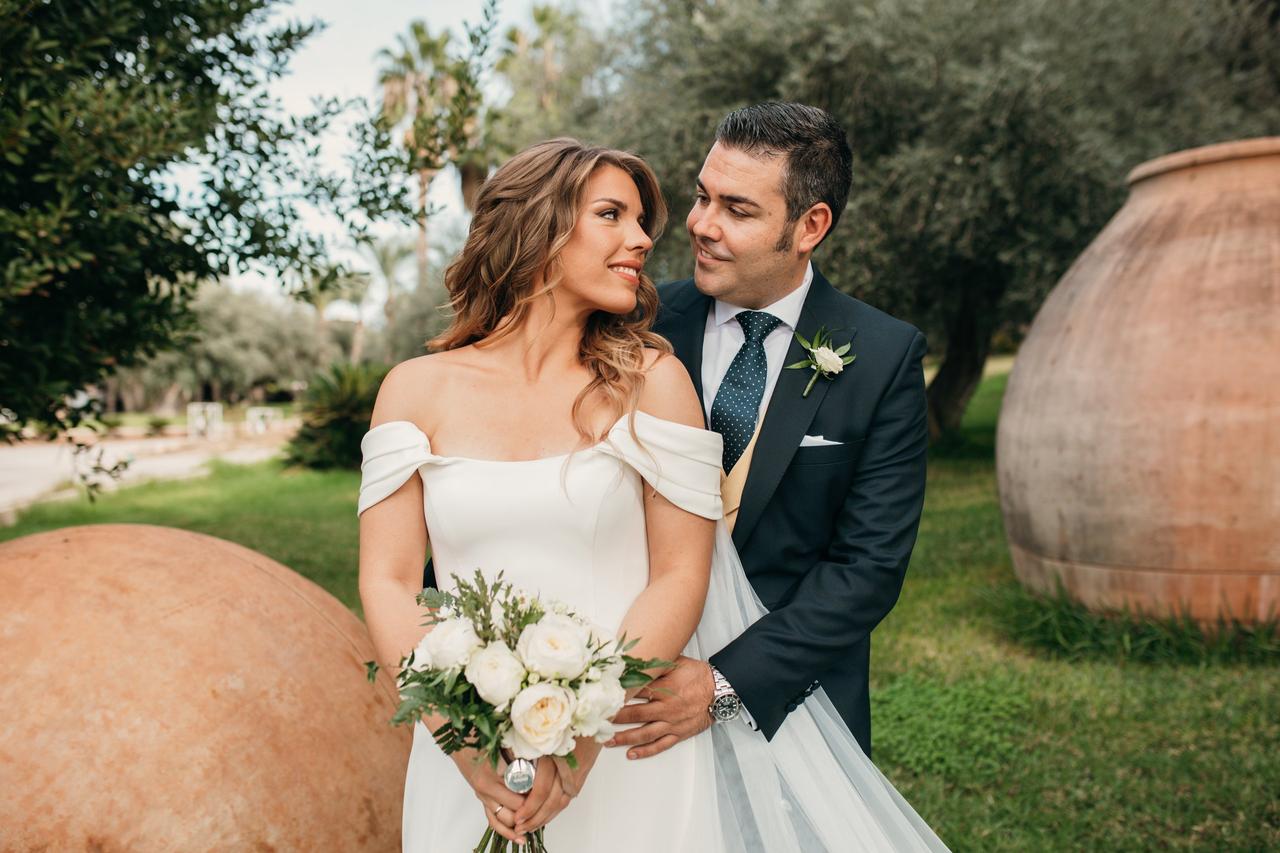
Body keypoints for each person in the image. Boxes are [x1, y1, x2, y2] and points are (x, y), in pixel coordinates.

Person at [359, 136, 946, 850]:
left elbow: (840, 568)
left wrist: (581, 740)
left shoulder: (654, 374)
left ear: (809, 225)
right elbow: (391, 581)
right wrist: (465, 741)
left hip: (638, 726)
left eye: (734, 207)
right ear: (537, 223)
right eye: (618, 214)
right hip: (472, 740)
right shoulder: (415, 388)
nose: (665, 235)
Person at [610, 101, 929, 761]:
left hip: (789, 706)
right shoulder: (636, 321)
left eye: (738, 209)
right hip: (627, 702)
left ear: (810, 225)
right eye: (702, 197)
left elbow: (866, 568)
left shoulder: (883, 355)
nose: (701, 225)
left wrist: (722, 683)